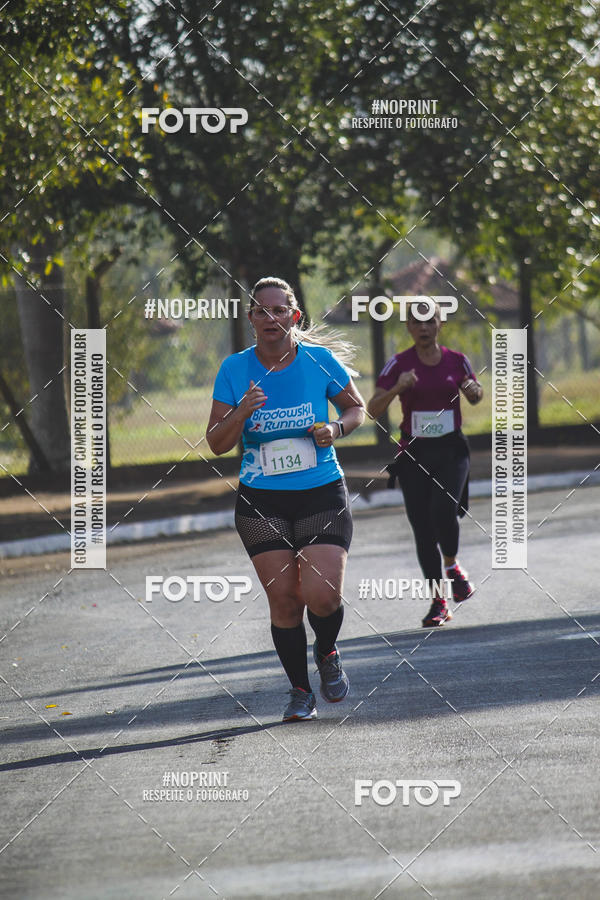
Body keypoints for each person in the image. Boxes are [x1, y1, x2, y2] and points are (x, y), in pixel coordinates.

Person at [207, 276, 365, 720]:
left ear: (294, 317)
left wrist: (335, 429)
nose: (270, 317)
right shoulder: (234, 370)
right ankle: (300, 691)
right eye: (261, 310)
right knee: (285, 602)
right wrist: (241, 411)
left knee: (322, 595)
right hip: (262, 502)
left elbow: (356, 408)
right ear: (251, 319)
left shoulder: (319, 360)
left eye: (279, 310)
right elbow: (217, 443)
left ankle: (328, 651)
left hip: (320, 492)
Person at [367, 301, 483, 627]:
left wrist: (474, 390)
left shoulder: (456, 360)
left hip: (451, 450)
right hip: (414, 452)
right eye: (416, 322)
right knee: (421, 529)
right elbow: (372, 409)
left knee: (443, 511)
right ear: (408, 327)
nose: (423, 328)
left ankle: (453, 565)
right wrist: (398, 389)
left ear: (439, 323)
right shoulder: (398, 364)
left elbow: (474, 393)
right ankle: (438, 601)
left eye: (429, 321)